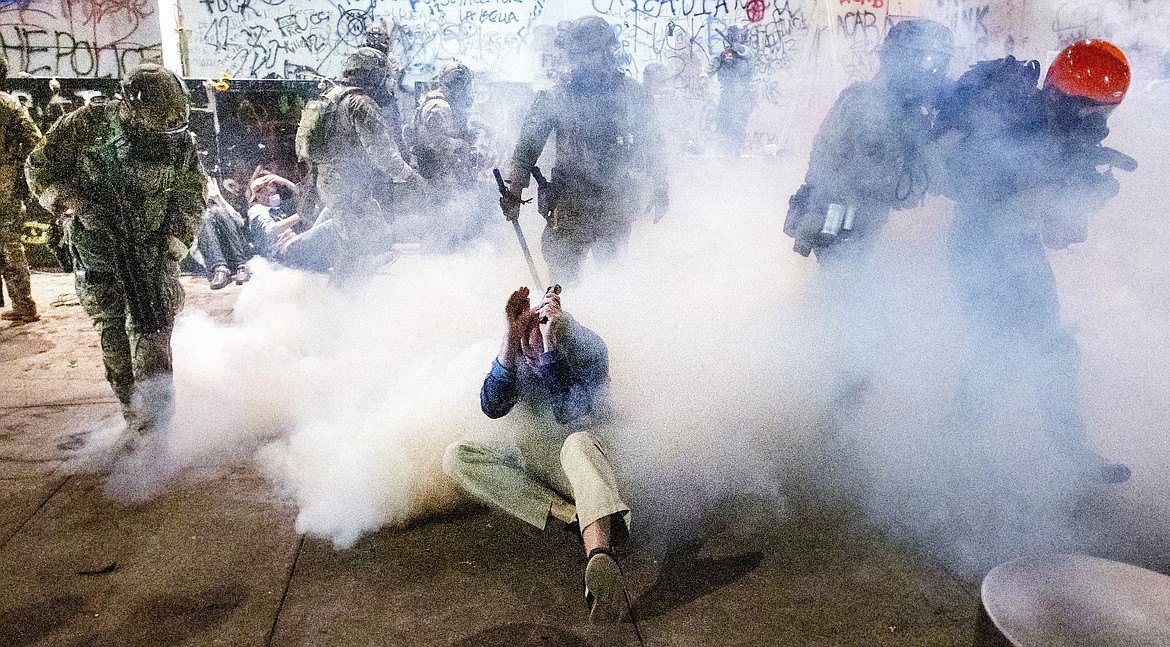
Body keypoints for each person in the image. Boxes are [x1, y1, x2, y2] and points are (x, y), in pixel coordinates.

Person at [935, 40, 1134, 483]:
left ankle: (1073, 458)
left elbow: (1059, 234)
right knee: (994, 353)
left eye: (1106, 113)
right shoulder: (1007, 126)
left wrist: (1085, 199)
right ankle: (955, 460)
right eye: (1095, 113)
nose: (1100, 126)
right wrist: (1062, 194)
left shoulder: (1066, 137)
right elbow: (982, 195)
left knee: (1055, 352)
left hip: (1020, 251)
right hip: (980, 250)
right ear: (1071, 101)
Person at [26, 62, 206, 443]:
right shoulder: (84, 125)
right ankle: (131, 412)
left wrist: (176, 240)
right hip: (98, 254)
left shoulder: (179, 139)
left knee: (153, 339)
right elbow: (38, 168)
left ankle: (156, 436)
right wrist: (76, 203)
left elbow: (193, 192)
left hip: (153, 256)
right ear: (130, 107)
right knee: (115, 343)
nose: (166, 134)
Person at [443, 286, 632, 622]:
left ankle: (600, 556)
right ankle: (577, 516)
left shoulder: (587, 347)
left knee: (576, 443)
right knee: (458, 456)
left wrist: (553, 350)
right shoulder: (518, 351)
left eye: (540, 326)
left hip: (596, 462)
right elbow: (492, 406)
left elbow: (570, 411)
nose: (531, 343)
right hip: (546, 464)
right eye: (526, 332)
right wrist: (509, 335)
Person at [500, 16, 669, 285]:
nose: (584, 61)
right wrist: (515, 186)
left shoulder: (631, 94)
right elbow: (528, 144)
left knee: (613, 282)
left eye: (591, 52)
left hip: (614, 202)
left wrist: (661, 186)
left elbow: (653, 142)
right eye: (578, 54)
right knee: (562, 285)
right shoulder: (559, 95)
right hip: (570, 202)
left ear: (606, 52)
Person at [284, 47, 420, 276]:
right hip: (349, 186)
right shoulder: (360, 104)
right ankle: (341, 303)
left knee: (365, 240)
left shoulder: (330, 98)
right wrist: (412, 177)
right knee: (359, 251)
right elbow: (384, 155)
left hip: (332, 183)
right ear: (373, 75)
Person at [0, 57, 44, 323]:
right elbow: (35, 142)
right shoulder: (11, 104)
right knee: (11, 245)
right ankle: (24, 305)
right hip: (6, 184)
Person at [196, 176, 251, 289]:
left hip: (238, 255)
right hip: (215, 262)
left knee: (221, 212)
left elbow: (240, 222)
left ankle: (242, 266)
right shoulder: (199, 216)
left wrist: (218, 198)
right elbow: (194, 247)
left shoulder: (221, 208)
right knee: (204, 217)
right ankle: (221, 269)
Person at [709, 27, 755, 159]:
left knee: (737, 123)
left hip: (741, 95)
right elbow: (713, 65)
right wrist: (705, 75)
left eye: (736, 36)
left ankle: (735, 151)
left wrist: (738, 49)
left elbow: (748, 56)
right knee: (723, 121)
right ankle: (725, 151)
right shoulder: (725, 54)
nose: (732, 39)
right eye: (731, 36)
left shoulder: (746, 54)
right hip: (726, 94)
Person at [246, 173, 299, 260]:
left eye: (275, 192)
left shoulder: (279, 209)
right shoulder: (257, 209)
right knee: (328, 226)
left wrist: (284, 181)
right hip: (280, 253)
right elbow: (270, 230)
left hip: (294, 245)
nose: (275, 196)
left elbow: (308, 198)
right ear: (260, 197)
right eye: (271, 193)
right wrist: (300, 215)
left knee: (328, 211)